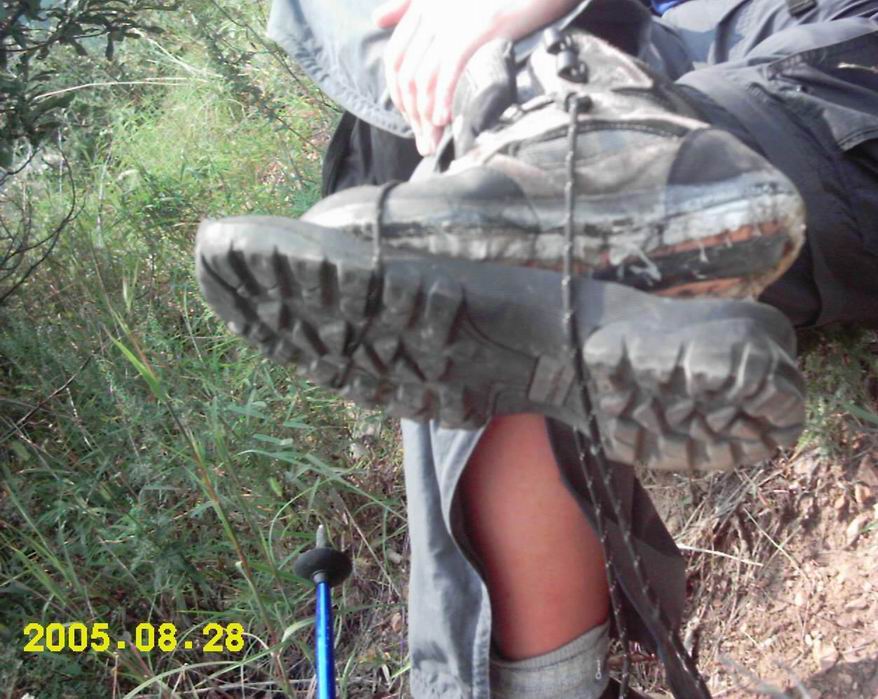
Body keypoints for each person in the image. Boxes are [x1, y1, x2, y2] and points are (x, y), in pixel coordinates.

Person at [195, 0, 878, 696]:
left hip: (813, 53)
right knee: (490, 241)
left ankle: (573, 153)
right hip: (614, 68)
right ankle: (557, 141)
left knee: (499, 249)